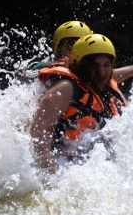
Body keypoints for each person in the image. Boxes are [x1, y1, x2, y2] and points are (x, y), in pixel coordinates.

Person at [30, 33, 126, 173]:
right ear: (81, 66)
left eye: (106, 65)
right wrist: (49, 173)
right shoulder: (66, 88)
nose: (101, 72)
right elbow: (38, 130)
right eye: (95, 66)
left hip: (90, 165)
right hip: (62, 166)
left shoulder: (109, 91)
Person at [35, 21, 133, 83]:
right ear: (58, 48)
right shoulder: (45, 67)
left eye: (80, 45)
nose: (75, 51)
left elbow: (105, 77)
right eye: (70, 46)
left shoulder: (91, 71)